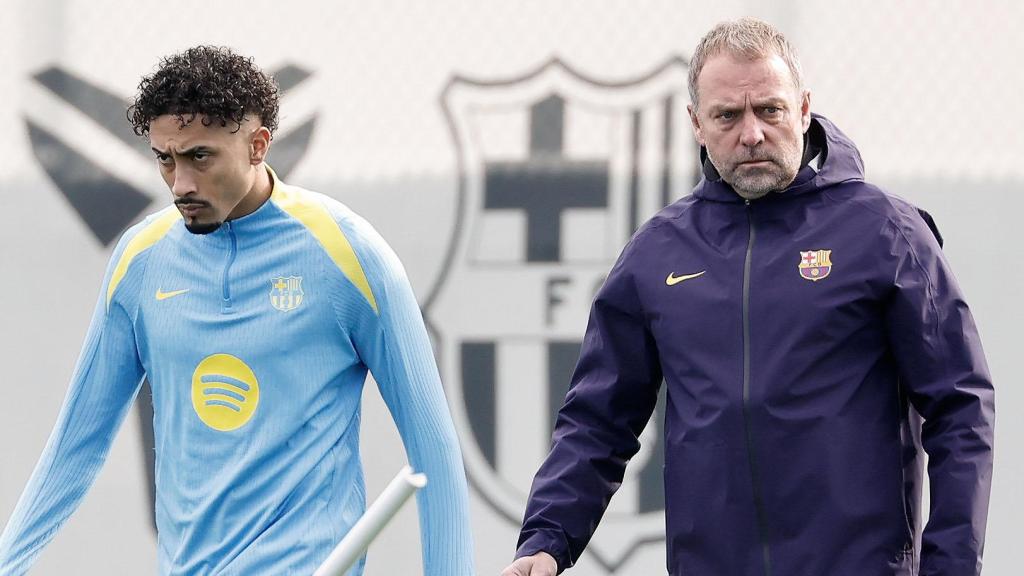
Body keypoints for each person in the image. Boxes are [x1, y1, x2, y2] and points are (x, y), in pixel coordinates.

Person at [502, 17, 994, 576]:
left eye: (770, 109)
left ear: (804, 109)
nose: (752, 133)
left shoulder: (887, 233)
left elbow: (961, 406)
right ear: (696, 123)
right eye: (728, 115)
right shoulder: (657, 253)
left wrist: (951, 566)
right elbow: (598, 421)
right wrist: (545, 540)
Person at [0, 46, 473, 575]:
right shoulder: (139, 262)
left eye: (200, 157)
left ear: (257, 145)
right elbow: (75, 445)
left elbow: (433, 446)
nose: (181, 184)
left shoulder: (350, 256)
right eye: (165, 158)